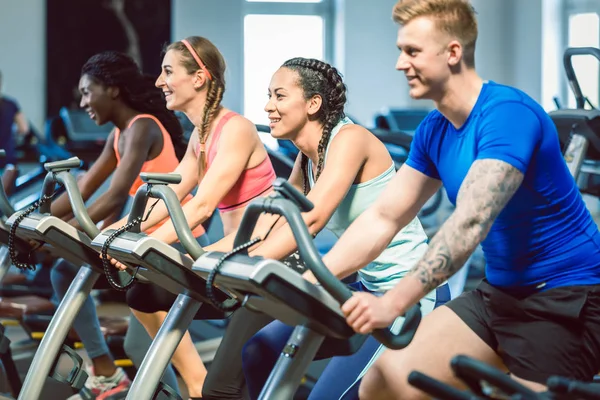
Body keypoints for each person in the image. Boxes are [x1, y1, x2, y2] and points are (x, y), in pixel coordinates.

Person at [319, 1, 600, 399]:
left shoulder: (507, 114)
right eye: (401, 50)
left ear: (453, 52)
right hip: (500, 294)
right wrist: (315, 278)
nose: (400, 64)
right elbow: (384, 216)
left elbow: (470, 222)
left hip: (567, 298)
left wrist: (393, 303)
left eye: (412, 51)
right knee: (384, 382)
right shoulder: (434, 128)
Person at [197, 57, 450, 400]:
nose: (269, 107)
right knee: (259, 351)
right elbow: (272, 219)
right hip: (363, 288)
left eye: (280, 96)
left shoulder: (350, 139)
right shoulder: (307, 157)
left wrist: (248, 266)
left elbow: (310, 220)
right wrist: (201, 258)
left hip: (408, 294)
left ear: (313, 104)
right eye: (269, 96)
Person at [107, 36, 276, 400]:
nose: (158, 82)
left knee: (226, 386)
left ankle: (203, 387)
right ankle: (194, 381)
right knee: (143, 292)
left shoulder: (236, 129)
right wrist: (119, 230)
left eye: (168, 72)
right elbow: (172, 197)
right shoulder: (202, 134)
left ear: (199, 78)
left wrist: (142, 245)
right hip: (229, 258)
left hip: (259, 260)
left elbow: (200, 207)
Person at [49, 50, 189, 399]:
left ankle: (117, 374)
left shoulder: (143, 126)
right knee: (64, 270)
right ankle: (106, 371)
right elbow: (83, 190)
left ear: (111, 89)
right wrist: (36, 217)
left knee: (140, 346)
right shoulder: (119, 135)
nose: (83, 102)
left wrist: (54, 227)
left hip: (168, 246)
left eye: (86, 91)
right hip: (137, 244)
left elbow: (112, 198)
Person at [0, 69, 30, 194]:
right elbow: (24, 129)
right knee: (5, 201)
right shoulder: (10, 104)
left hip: (7, 162)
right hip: (7, 159)